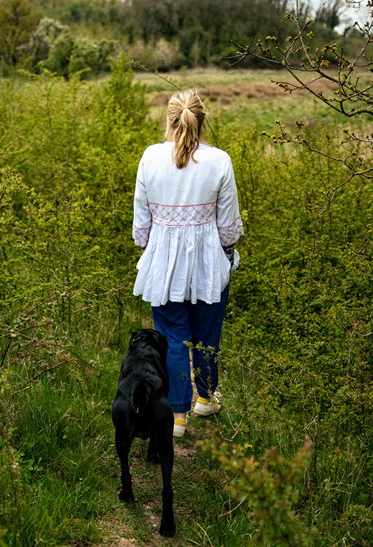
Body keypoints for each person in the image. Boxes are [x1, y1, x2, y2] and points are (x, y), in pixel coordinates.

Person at [132, 89, 243, 437]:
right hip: (208, 264)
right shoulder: (219, 160)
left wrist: (153, 247)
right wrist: (225, 252)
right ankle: (206, 399)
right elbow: (229, 228)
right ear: (203, 120)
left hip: (164, 266)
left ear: (169, 120)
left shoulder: (150, 158)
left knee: (173, 339)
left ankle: (177, 417)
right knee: (208, 334)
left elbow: (141, 226)